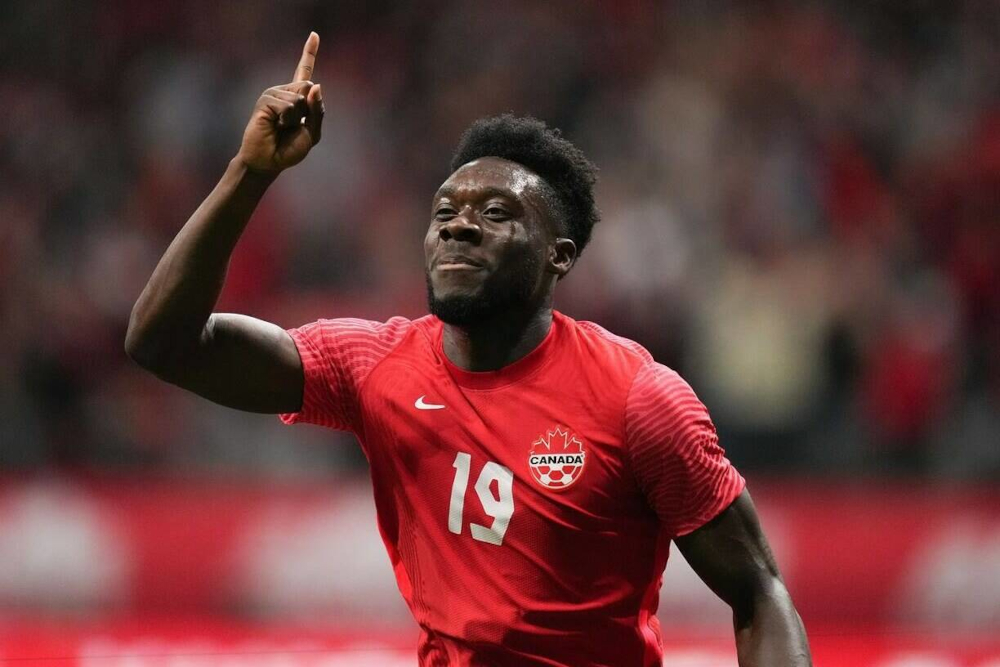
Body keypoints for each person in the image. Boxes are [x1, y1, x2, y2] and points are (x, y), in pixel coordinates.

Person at [126, 33, 812, 667]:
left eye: (495, 214)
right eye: (445, 212)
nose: (459, 227)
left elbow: (759, 591)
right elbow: (164, 343)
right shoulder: (375, 366)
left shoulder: (639, 399)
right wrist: (250, 170)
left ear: (558, 255)